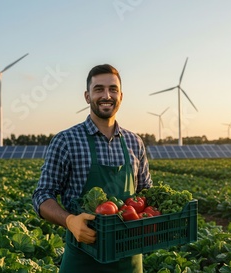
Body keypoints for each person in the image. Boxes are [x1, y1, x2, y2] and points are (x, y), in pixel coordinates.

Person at [32, 63, 153, 273]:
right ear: (87, 96)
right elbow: (42, 195)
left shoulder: (135, 142)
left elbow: (146, 193)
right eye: (99, 89)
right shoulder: (66, 141)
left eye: (113, 89)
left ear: (121, 96)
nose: (107, 95)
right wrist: (69, 220)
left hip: (129, 261)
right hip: (82, 260)